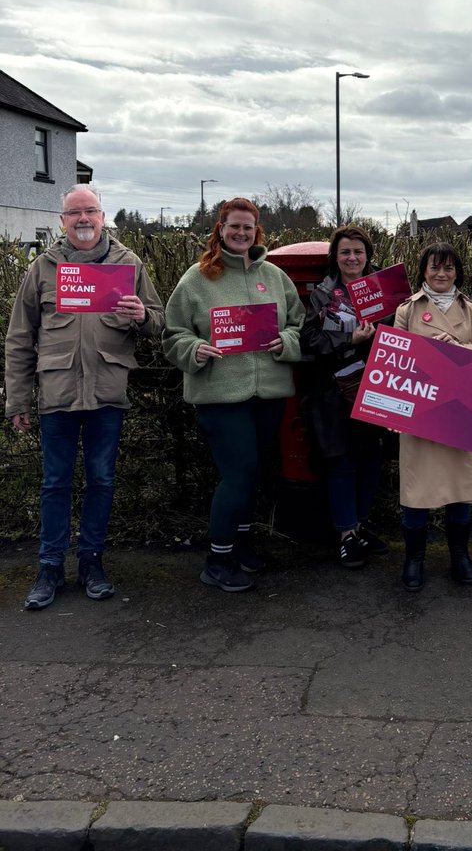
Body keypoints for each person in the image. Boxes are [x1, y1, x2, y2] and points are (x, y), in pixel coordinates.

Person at [5, 186, 164, 610]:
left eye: (90, 211)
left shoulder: (128, 263)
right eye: (74, 213)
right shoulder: (43, 268)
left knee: (102, 481)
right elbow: (20, 338)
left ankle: (92, 562)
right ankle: (50, 567)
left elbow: (159, 322)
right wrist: (18, 400)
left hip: (107, 393)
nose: (83, 219)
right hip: (56, 394)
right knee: (55, 484)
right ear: (62, 222)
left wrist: (143, 316)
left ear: (102, 216)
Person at [163, 197, 304, 592]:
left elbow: (298, 324)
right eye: (233, 226)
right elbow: (173, 333)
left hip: (269, 391)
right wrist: (194, 349)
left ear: (257, 232)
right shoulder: (196, 279)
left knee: (252, 473)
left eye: (248, 227)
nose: (240, 233)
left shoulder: (275, 276)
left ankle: (240, 546)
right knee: (238, 474)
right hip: (220, 394)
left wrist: (286, 342)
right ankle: (218, 560)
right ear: (220, 230)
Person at [393, 242, 472, 592]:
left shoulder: (471, 311)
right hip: (420, 413)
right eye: (434, 267)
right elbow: (396, 358)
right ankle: (414, 560)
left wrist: (455, 348)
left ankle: (460, 556)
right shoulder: (406, 310)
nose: (441, 274)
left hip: (459, 412)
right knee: (416, 490)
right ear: (423, 271)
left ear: (457, 273)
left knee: (460, 488)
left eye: (448, 268)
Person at [300, 225, 390, 568]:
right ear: (335, 258)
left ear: (367, 256)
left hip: (376, 385)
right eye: (345, 252)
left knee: (370, 459)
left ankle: (361, 525)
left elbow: (400, 332)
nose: (352, 258)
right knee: (340, 461)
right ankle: (346, 535)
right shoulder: (323, 294)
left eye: (358, 252)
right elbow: (308, 341)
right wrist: (348, 341)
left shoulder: (382, 291)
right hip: (335, 391)